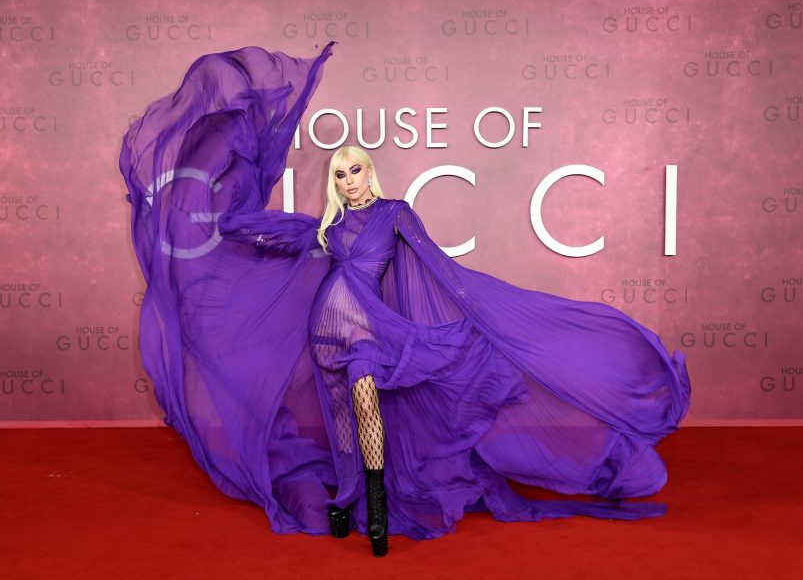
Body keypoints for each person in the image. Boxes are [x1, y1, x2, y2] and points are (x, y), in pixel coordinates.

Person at [120, 42, 691, 558]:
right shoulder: (326, 228)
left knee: (367, 407)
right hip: (325, 329)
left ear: (369, 173)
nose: (348, 180)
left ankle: (376, 515)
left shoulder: (395, 214)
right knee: (343, 421)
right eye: (339, 175)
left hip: (367, 329)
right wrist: (213, 211)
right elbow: (262, 233)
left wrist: (481, 311)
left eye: (355, 171)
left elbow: (438, 267)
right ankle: (347, 500)